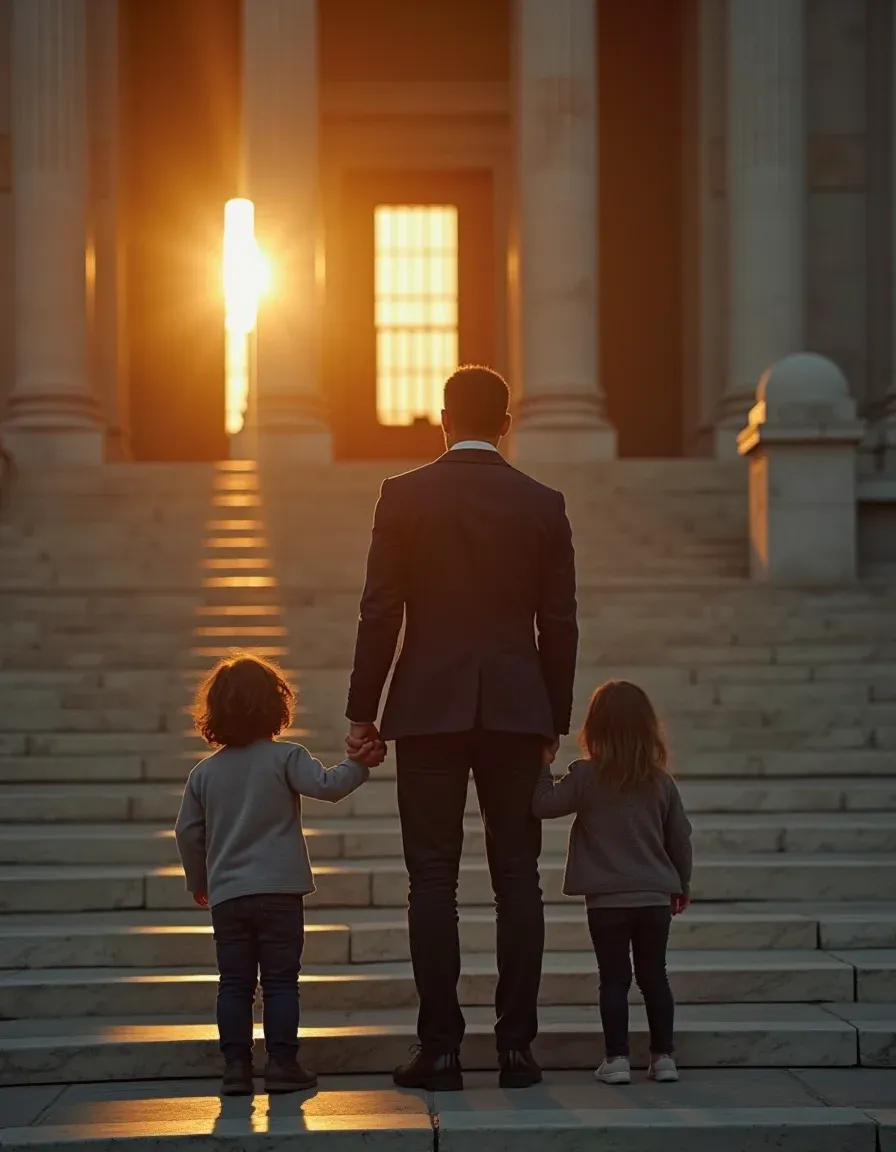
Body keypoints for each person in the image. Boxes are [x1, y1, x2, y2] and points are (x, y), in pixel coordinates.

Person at [345, 365, 579, 1091]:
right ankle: (517, 1051)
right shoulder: (543, 503)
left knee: (432, 883)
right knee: (519, 883)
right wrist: (554, 720)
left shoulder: (403, 496)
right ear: (506, 424)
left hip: (428, 708)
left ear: (442, 419)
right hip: (516, 710)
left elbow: (380, 609)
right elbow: (560, 623)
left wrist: (363, 710)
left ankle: (440, 1050)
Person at [175, 653, 383, 1097]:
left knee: (233, 983)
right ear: (276, 706)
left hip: (229, 895)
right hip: (280, 891)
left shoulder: (203, 774)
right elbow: (328, 786)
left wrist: (200, 881)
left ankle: (235, 1068)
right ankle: (283, 1064)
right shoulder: (286, 757)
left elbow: (187, 832)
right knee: (281, 981)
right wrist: (361, 764)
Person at [532, 679, 692, 1085]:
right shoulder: (661, 782)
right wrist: (681, 883)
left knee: (615, 979)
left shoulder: (586, 777)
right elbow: (680, 838)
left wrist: (542, 762)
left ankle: (617, 1059)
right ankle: (664, 1058)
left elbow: (542, 805)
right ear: (647, 727)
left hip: (606, 901)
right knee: (655, 975)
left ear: (595, 728)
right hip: (655, 896)